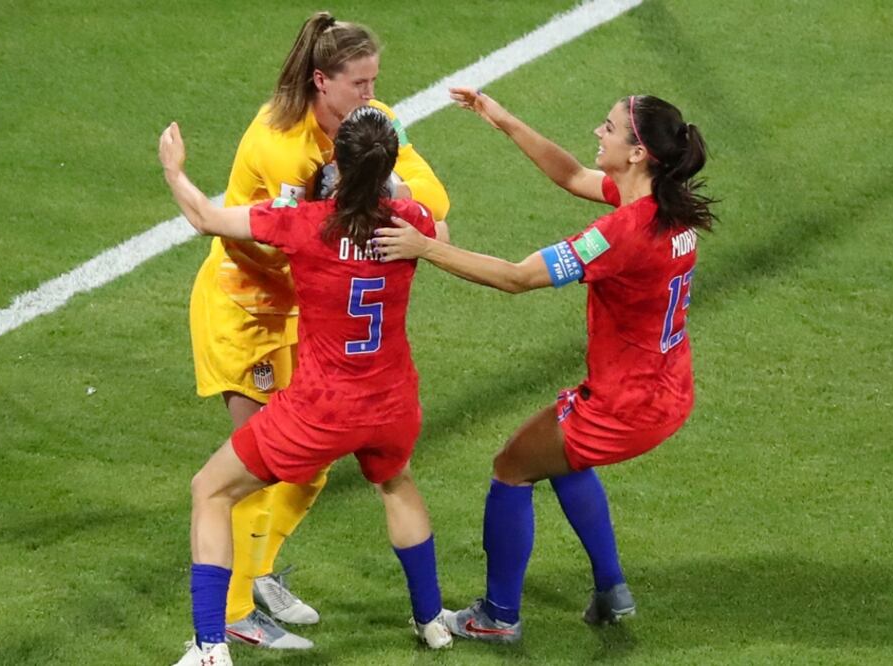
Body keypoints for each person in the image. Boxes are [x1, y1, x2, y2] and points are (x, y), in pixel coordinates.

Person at [375, 89, 717, 642]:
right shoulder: (665, 207)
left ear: (637, 154)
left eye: (608, 128)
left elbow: (516, 277)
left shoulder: (621, 234)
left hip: (625, 405)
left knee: (512, 466)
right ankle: (611, 589)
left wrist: (423, 247)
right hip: (666, 389)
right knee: (561, 456)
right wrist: (504, 120)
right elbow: (573, 177)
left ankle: (498, 617)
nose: (597, 133)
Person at [188, 12, 450, 648]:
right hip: (248, 309)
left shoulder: (371, 124)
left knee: (307, 468)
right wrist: (381, 210)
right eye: (359, 84)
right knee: (253, 462)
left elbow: (433, 199)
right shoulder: (281, 143)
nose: (372, 95)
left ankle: (259, 571)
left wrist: (376, 198)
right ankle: (234, 612)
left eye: (374, 82)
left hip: (310, 308)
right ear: (321, 82)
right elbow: (263, 236)